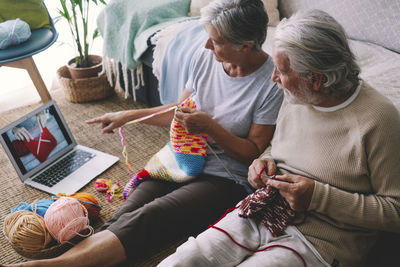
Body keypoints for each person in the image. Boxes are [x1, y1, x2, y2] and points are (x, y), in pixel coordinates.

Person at [2, 0, 283, 266]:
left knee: (152, 215)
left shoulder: (270, 83)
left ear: (246, 46)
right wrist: (127, 117)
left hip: (226, 179)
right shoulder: (205, 57)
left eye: (217, 41)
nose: (208, 45)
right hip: (183, 157)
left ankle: (56, 265)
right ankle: (74, 261)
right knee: (130, 208)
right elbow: (179, 110)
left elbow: (252, 151)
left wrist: (210, 127)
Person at [157, 9, 400, 267]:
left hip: (323, 241)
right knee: (183, 259)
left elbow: (395, 210)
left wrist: (318, 197)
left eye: (281, 71)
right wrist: (264, 160)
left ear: (316, 80)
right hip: (263, 209)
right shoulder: (296, 94)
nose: (274, 78)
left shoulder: (379, 120)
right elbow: (279, 146)